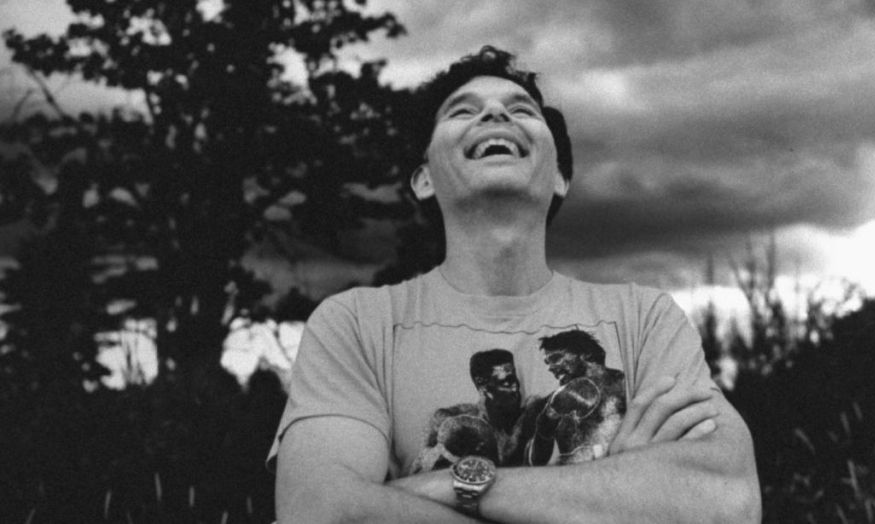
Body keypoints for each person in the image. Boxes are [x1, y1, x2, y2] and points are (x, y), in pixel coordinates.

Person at [272, 45, 761, 523]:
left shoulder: (645, 320)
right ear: (423, 179)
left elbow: (728, 498)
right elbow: (321, 510)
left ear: (560, 177)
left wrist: (444, 487)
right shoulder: (357, 325)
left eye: (522, 110)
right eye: (463, 111)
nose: (495, 114)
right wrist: (622, 491)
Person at [410, 349, 525, 472]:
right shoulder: (447, 420)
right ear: (481, 383)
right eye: (506, 383)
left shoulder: (526, 420)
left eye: (516, 382)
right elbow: (419, 471)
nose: (515, 390)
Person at [525, 329, 626, 465]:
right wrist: (546, 421)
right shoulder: (556, 401)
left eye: (555, 358)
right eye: (547, 363)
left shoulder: (624, 384)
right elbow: (537, 461)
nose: (550, 368)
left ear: (586, 353)